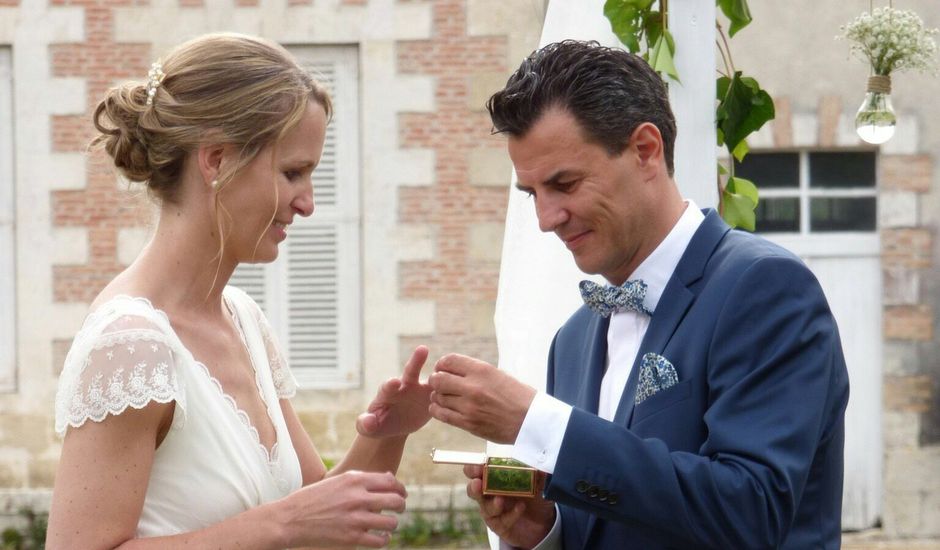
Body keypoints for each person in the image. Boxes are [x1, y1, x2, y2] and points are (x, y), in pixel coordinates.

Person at [427, 40, 850, 549]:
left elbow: (751, 512)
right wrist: (545, 531)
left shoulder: (764, 287)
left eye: (565, 183)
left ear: (646, 150)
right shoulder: (573, 339)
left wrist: (533, 421)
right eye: (532, 193)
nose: (545, 219)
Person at [48, 33, 433, 549]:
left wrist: (386, 433)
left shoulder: (244, 321)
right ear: (216, 161)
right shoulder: (130, 345)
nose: (308, 204)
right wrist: (281, 526)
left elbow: (320, 521)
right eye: (293, 172)